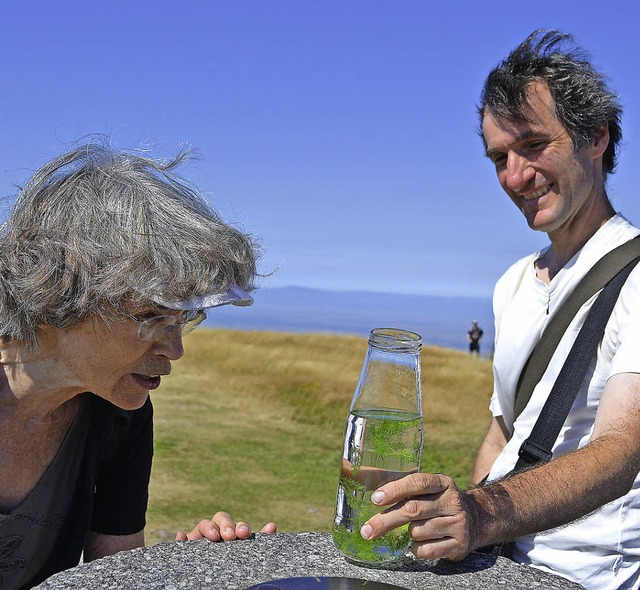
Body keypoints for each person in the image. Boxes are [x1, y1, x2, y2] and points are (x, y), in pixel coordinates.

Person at [358, 30, 640, 590]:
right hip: (503, 570)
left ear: (597, 138)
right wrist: (465, 543)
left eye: (533, 145)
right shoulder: (512, 284)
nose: (514, 176)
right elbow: (504, 431)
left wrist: (482, 514)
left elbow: (622, 447)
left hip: (593, 577)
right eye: (498, 158)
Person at [0, 141, 276, 590]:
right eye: (152, 317)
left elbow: (113, 577)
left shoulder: (120, 415)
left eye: (183, 320)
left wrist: (193, 571)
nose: (175, 349)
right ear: (58, 293)